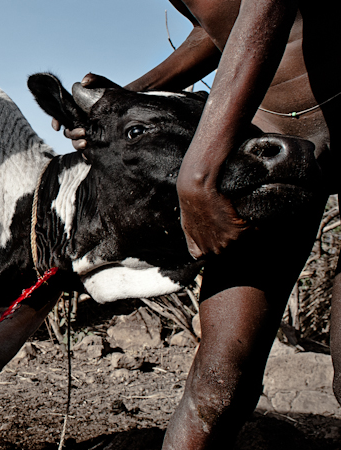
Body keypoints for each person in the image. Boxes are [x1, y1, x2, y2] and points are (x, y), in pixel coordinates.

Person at [54, 1, 340, 448]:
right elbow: (215, 27)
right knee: (218, 381)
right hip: (273, 134)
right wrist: (123, 100)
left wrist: (199, 174)